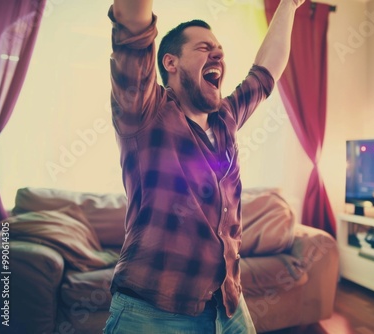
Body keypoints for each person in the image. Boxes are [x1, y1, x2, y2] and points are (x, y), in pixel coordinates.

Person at [104, 0, 304, 333]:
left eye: (221, 50)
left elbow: (265, 73)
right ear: (170, 62)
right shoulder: (145, 112)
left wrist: (290, 5)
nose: (218, 55)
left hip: (227, 305)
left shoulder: (225, 118)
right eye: (204, 47)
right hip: (153, 312)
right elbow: (133, 31)